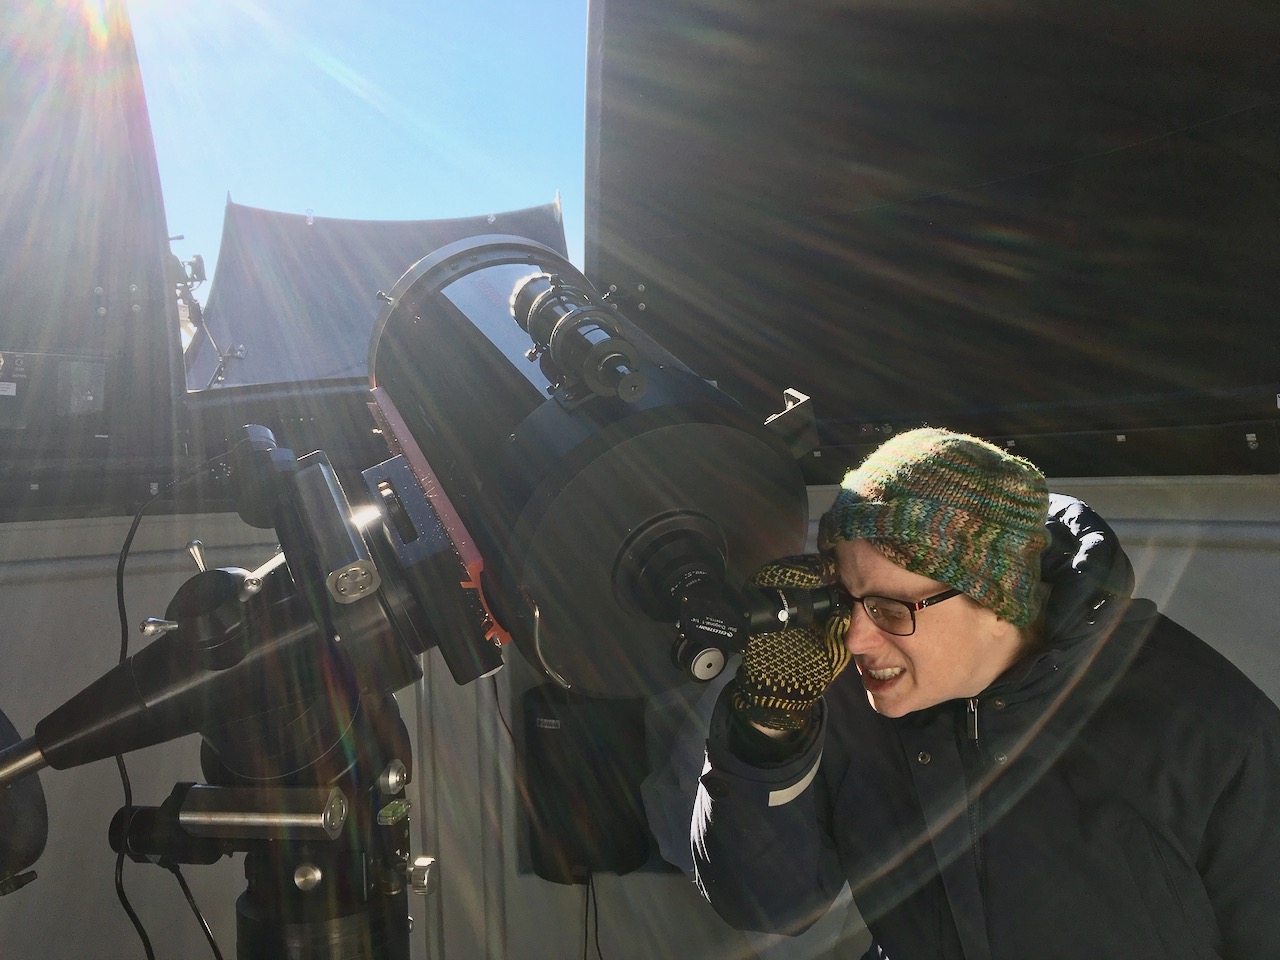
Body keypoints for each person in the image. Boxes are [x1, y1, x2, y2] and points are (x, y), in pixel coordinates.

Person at [691, 427, 1280, 959]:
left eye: (890, 608)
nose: (860, 637)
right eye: (848, 599)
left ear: (998, 601)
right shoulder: (846, 690)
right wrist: (766, 732)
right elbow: (767, 907)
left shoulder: (1206, 724)